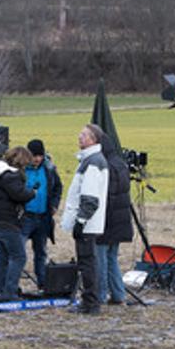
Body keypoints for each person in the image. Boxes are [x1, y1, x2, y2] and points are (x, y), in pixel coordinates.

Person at [60, 124, 109, 315]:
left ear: (93, 139)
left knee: (87, 263)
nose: (80, 137)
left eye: (84, 135)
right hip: (89, 221)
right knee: (88, 262)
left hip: (88, 223)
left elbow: (90, 197)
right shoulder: (90, 160)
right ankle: (90, 301)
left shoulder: (93, 162)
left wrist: (80, 221)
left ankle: (90, 302)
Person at [0, 146, 36, 300]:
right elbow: (19, 194)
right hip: (9, 222)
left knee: (3, 257)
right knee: (18, 257)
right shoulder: (11, 176)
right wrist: (32, 192)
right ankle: (10, 292)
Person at [21, 139, 62, 291]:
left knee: (41, 252)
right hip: (25, 217)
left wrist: (54, 205)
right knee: (18, 252)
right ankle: (12, 285)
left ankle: (43, 284)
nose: (37, 159)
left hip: (43, 216)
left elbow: (57, 187)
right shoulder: (21, 169)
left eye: (40, 156)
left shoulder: (49, 168)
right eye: (34, 156)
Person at [96, 134, 132, 306]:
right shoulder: (120, 164)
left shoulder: (105, 166)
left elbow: (107, 196)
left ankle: (101, 295)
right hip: (120, 220)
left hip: (107, 220)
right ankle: (118, 294)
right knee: (112, 259)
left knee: (101, 259)